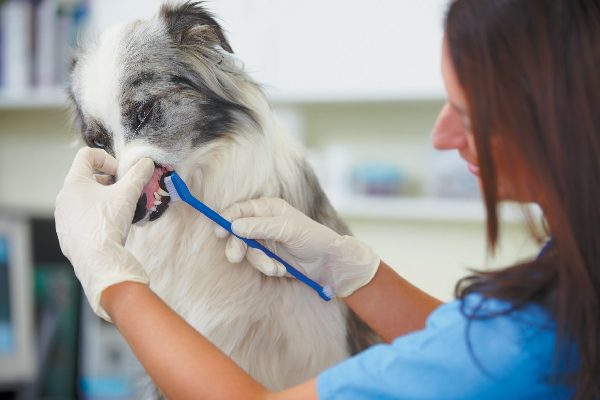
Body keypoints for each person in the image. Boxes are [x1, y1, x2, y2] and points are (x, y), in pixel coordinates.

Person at [54, 0, 600, 398]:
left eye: (466, 112)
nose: (441, 137)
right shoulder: (572, 277)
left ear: (558, 115)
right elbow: (469, 348)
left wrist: (113, 280)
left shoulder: (529, 340)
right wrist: (357, 273)